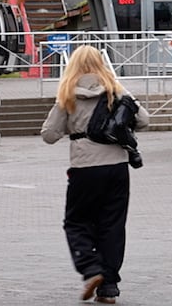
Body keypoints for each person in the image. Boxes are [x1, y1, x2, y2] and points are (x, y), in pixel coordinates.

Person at [41, 45, 150, 304]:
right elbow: (144, 119)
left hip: (84, 167)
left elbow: (49, 134)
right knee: (112, 224)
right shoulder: (116, 90)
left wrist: (71, 125)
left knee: (76, 221)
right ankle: (109, 287)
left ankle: (90, 269)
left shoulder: (67, 94)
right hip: (117, 167)